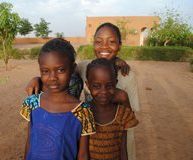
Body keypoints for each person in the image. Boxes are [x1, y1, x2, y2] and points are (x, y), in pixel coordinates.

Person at [25, 22, 140, 160]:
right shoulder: (85, 66)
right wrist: (36, 79)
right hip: (89, 138)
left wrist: (123, 97)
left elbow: (130, 117)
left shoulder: (128, 75)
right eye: (98, 41)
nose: (104, 46)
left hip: (115, 140)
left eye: (111, 42)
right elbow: (61, 70)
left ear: (119, 45)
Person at [20, 38, 96, 160]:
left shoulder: (83, 112)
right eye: (45, 71)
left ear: (72, 68)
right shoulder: (33, 103)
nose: (53, 77)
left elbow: (83, 155)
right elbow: (30, 142)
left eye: (60, 70)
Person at [86, 58, 138, 160]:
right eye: (96, 86)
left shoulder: (123, 114)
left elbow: (123, 149)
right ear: (88, 85)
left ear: (116, 83)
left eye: (109, 86)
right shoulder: (84, 111)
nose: (104, 92)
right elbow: (82, 152)